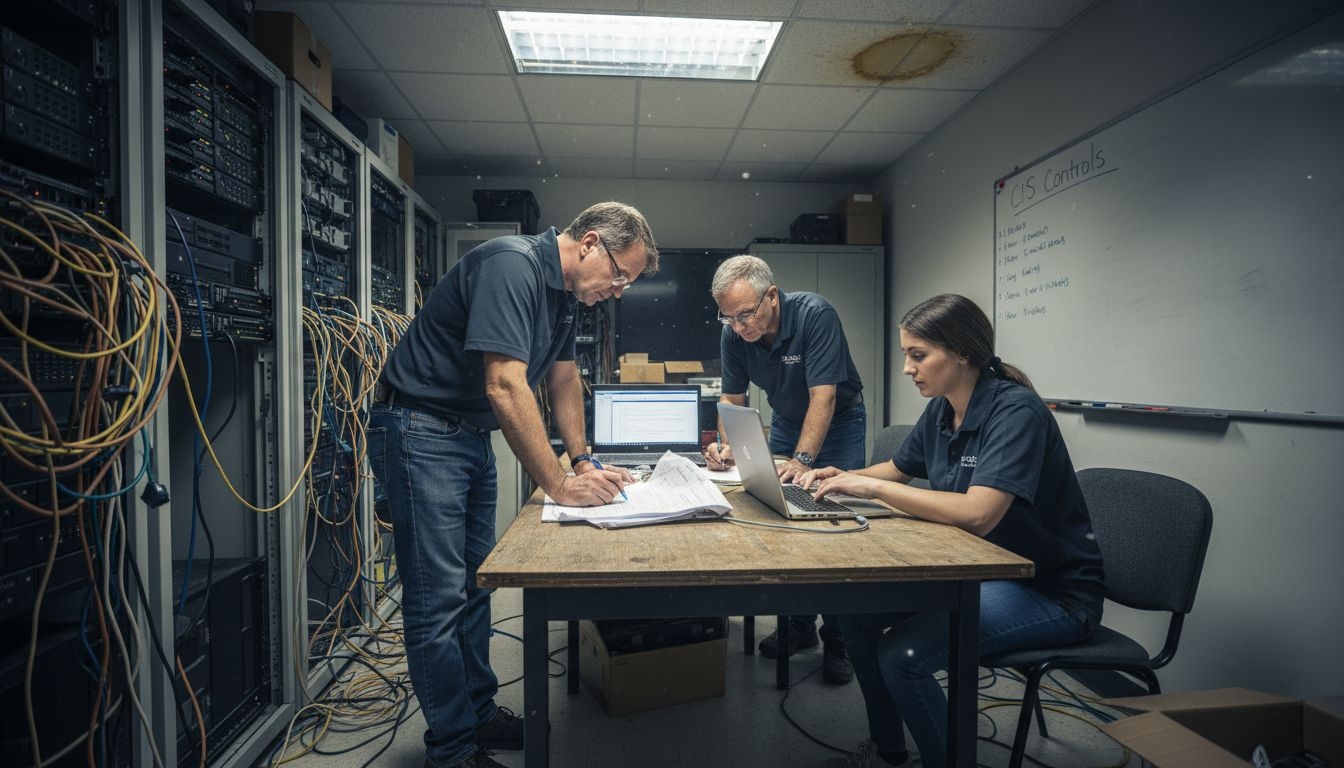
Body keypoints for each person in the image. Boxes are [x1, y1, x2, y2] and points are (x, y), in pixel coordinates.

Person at [369, 202, 658, 768]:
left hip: (465, 437)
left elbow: (563, 377)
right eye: (620, 275)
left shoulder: (565, 296)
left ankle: (476, 714)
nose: (619, 290)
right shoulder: (512, 264)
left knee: (476, 587)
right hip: (420, 429)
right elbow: (504, 383)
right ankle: (451, 751)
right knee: (438, 602)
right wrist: (555, 484)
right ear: (591, 243)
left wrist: (582, 461)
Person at [797, 294, 1105, 768]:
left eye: (918, 355)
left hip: (1049, 591)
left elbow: (979, 514)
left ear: (961, 352)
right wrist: (839, 476)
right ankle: (889, 749)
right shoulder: (943, 407)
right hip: (980, 571)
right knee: (853, 617)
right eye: (906, 354)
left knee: (904, 654)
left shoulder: (1015, 412)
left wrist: (870, 489)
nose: (907, 368)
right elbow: (899, 469)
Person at [703, 254, 866, 684]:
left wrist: (804, 461)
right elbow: (733, 399)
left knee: (831, 524)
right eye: (727, 317)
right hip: (790, 419)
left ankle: (839, 638)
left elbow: (824, 397)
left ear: (771, 296)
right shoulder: (734, 332)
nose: (738, 327)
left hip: (839, 420)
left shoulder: (815, 315)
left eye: (744, 315)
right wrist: (726, 445)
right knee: (781, 513)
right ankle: (798, 626)